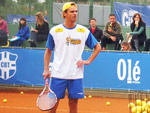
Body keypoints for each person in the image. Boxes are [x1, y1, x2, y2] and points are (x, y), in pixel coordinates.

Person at [42, 2, 101, 113]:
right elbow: (48, 51)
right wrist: (46, 69)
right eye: (71, 11)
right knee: (53, 104)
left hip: (76, 74)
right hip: (58, 73)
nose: (75, 14)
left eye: (76, 11)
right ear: (64, 14)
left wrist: (88, 61)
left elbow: (97, 47)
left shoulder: (83, 31)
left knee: (73, 103)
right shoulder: (55, 31)